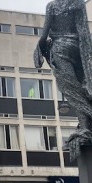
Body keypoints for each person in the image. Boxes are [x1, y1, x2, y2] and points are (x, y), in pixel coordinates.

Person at [35, 0, 92, 160]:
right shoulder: (78, 4)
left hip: (60, 50)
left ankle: (86, 127)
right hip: (78, 50)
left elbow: (43, 36)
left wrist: (42, 50)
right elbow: (83, 33)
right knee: (80, 86)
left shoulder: (52, 6)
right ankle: (86, 125)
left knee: (71, 89)